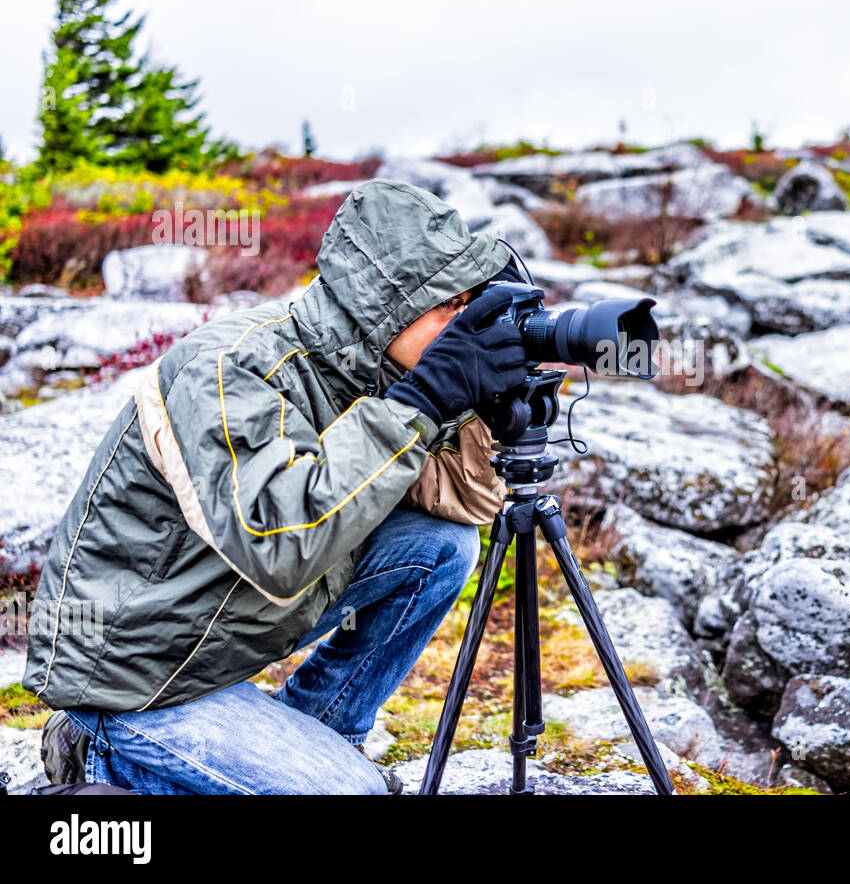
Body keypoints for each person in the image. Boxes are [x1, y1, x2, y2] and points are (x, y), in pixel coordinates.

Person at [24, 179, 531, 794]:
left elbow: (471, 505)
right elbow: (279, 543)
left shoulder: (374, 365)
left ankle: (320, 733)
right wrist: (420, 404)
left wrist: (485, 409)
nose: (464, 322)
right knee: (355, 795)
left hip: (217, 630)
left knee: (440, 548)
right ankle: (100, 753)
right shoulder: (230, 369)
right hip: (136, 675)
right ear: (387, 306)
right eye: (453, 303)